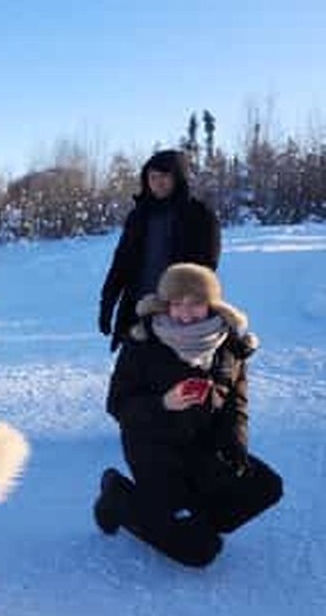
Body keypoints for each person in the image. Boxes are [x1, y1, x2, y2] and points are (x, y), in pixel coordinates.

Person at [94, 263, 282, 567]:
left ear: (211, 305)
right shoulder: (143, 342)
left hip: (202, 449)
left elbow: (237, 403)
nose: (184, 312)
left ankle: (186, 518)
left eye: (195, 303)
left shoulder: (229, 347)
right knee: (200, 550)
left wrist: (235, 445)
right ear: (165, 304)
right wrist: (163, 404)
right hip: (155, 452)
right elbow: (117, 404)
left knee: (265, 486)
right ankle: (120, 497)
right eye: (176, 303)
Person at [99, 149, 221, 351]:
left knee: (175, 379)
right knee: (131, 379)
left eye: (165, 176)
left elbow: (206, 269)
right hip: (137, 313)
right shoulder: (139, 216)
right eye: (152, 177)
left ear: (178, 178)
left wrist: (184, 306)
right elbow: (121, 263)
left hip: (181, 318)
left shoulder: (200, 215)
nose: (158, 182)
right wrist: (108, 304)